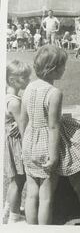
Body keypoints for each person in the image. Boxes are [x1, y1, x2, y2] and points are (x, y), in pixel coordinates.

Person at [20, 45, 80, 225]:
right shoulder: (54, 93)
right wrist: (54, 155)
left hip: (29, 144)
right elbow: (53, 127)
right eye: (63, 66)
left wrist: (24, 146)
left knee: (32, 194)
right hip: (46, 147)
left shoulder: (29, 88)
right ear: (53, 69)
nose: (65, 69)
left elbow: (23, 120)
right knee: (46, 198)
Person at [3, 60, 31, 224]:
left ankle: (7, 210)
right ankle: (14, 217)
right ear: (13, 80)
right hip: (17, 145)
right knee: (19, 181)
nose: (28, 80)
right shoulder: (15, 102)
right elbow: (23, 128)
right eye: (24, 77)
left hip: (9, 144)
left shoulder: (7, 97)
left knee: (15, 180)